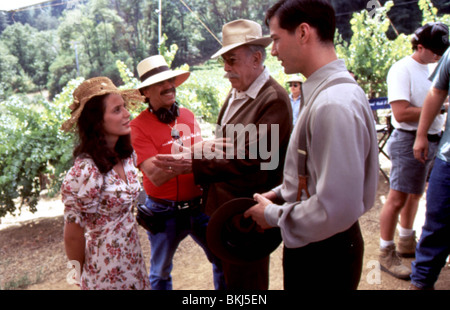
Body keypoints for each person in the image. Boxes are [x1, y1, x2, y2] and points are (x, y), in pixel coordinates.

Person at [244, 0, 379, 290]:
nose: (274, 50)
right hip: (321, 242)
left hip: (325, 253)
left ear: (303, 32)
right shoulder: (328, 93)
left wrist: (271, 215)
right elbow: (323, 172)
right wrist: (284, 192)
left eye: (277, 39)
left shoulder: (333, 104)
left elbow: (337, 207)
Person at [153, 19, 292, 289]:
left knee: (248, 284)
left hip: (248, 214)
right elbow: (224, 144)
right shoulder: (238, 91)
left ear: (256, 58)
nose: (226, 69)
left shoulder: (272, 99)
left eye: (232, 60)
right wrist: (202, 150)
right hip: (226, 211)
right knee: (232, 280)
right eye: (224, 62)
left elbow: (258, 157)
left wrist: (194, 162)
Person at [129, 55, 225, 290]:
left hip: (200, 206)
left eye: (170, 80)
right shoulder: (137, 127)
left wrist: (183, 157)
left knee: (223, 258)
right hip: (164, 211)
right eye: (160, 83)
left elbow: (202, 161)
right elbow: (156, 175)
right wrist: (197, 151)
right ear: (146, 93)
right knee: (160, 273)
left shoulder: (189, 116)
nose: (169, 86)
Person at [60, 77, 150, 290]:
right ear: (97, 121)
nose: (128, 114)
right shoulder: (86, 171)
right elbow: (73, 235)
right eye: (117, 110)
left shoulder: (127, 157)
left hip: (133, 264)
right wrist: (77, 277)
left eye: (124, 107)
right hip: (103, 272)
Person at [378, 22, 448, 280]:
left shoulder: (433, 66)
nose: (439, 55)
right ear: (420, 47)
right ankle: (386, 251)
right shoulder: (402, 69)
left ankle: (407, 241)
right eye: (435, 51)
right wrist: (440, 108)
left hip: (432, 138)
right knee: (397, 196)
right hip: (408, 138)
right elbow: (401, 112)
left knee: (415, 195)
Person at [411, 46, 450, 290]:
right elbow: (437, 91)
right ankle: (421, 282)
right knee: (436, 222)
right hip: (449, 160)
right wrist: (421, 134)